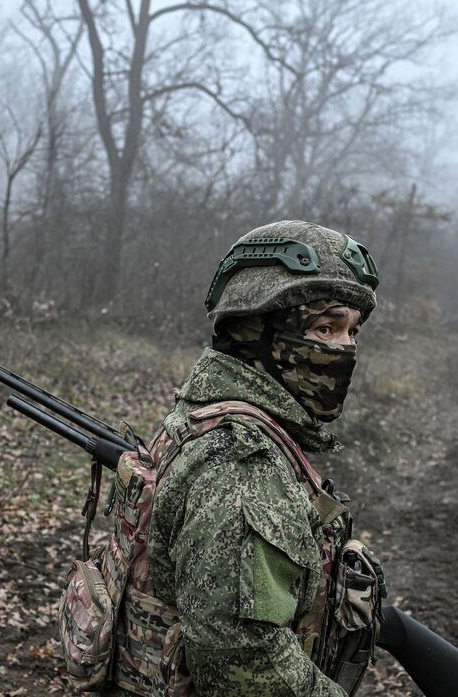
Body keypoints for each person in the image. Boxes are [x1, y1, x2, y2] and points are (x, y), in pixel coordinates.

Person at [102, 220, 382, 696]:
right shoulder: (240, 463)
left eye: (352, 331)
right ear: (257, 333)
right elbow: (243, 662)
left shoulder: (208, 416)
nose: (346, 348)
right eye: (325, 328)